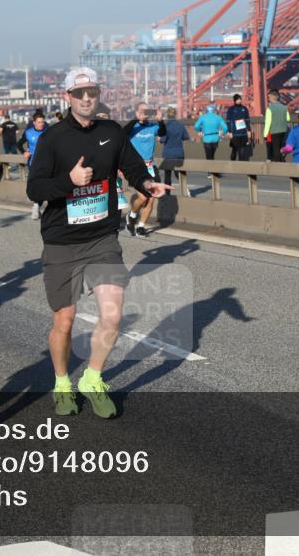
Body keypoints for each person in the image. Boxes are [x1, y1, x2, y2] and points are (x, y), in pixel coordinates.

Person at [26, 66, 171, 418]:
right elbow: (35, 188)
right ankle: (62, 383)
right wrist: (70, 180)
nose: (87, 98)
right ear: (68, 97)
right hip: (62, 241)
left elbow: (133, 166)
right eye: (79, 93)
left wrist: (146, 185)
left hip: (102, 237)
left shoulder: (111, 132)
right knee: (65, 321)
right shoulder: (53, 139)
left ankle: (92, 377)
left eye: (92, 91)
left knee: (113, 315)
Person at [124, 103, 167, 237]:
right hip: (136, 167)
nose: (145, 113)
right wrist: (137, 119)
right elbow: (122, 133)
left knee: (152, 198)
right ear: (137, 112)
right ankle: (132, 216)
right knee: (143, 197)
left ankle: (141, 226)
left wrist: (160, 120)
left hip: (150, 166)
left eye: (147, 111)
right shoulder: (133, 127)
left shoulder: (152, 126)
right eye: (142, 111)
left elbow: (162, 132)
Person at [18, 111, 49, 219]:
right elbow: (19, 144)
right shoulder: (28, 132)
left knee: (44, 184)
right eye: (39, 122)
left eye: (42, 122)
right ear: (34, 122)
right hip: (33, 163)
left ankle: (39, 205)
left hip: (47, 163)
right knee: (37, 184)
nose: (41, 124)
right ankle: (36, 205)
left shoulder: (48, 132)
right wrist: (24, 152)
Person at [159, 109, 190, 192]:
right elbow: (186, 137)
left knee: (167, 175)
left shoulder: (165, 126)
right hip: (179, 153)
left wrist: (160, 139)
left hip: (168, 154)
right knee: (180, 173)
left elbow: (163, 139)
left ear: (167, 115)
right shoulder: (180, 125)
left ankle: (167, 193)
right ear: (175, 114)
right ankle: (185, 189)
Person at [264, 89, 290, 162]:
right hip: (283, 130)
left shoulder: (270, 109)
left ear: (272, 98)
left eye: (269, 97)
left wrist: (265, 135)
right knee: (281, 148)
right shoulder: (284, 108)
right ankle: (282, 161)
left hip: (274, 131)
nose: (268, 99)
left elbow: (268, 123)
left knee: (275, 149)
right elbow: (288, 118)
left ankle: (278, 165)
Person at [226, 93, 251, 161]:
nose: (239, 101)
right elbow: (228, 121)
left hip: (243, 133)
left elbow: (247, 120)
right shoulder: (231, 109)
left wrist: (249, 130)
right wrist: (230, 132)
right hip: (235, 133)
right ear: (234, 100)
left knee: (242, 149)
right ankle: (232, 161)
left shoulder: (244, 108)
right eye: (237, 99)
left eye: (240, 99)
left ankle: (241, 164)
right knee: (234, 149)